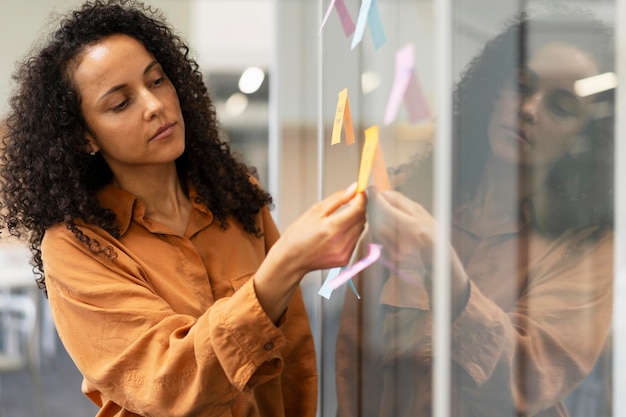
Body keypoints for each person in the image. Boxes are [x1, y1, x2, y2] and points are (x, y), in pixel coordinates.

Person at [0, 1, 367, 416]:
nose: (154, 105)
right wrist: (280, 271)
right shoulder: (77, 244)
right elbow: (164, 381)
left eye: (156, 81)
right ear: (86, 138)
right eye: (121, 104)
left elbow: (295, 352)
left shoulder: (232, 194)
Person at [335, 10, 614, 417]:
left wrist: (450, 279)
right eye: (522, 86)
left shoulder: (588, 246)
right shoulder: (415, 199)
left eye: (562, 106)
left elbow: (528, 381)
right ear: (493, 91)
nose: (530, 109)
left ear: (587, 138)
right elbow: (354, 359)